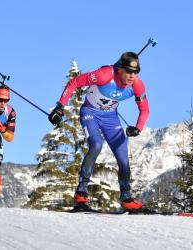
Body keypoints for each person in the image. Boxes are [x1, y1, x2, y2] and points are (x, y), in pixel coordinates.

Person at [48, 52, 149, 210]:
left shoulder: (137, 85)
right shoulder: (104, 75)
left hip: (111, 118)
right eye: (129, 71)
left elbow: (145, 110)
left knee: (123, 157)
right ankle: (81, 194)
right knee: (96, 145)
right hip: (90, 113)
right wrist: (60, 107)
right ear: (120, 69)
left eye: (136, 72)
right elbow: (74, 82)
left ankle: (126, 198)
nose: (132, 76)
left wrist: (137, 128)